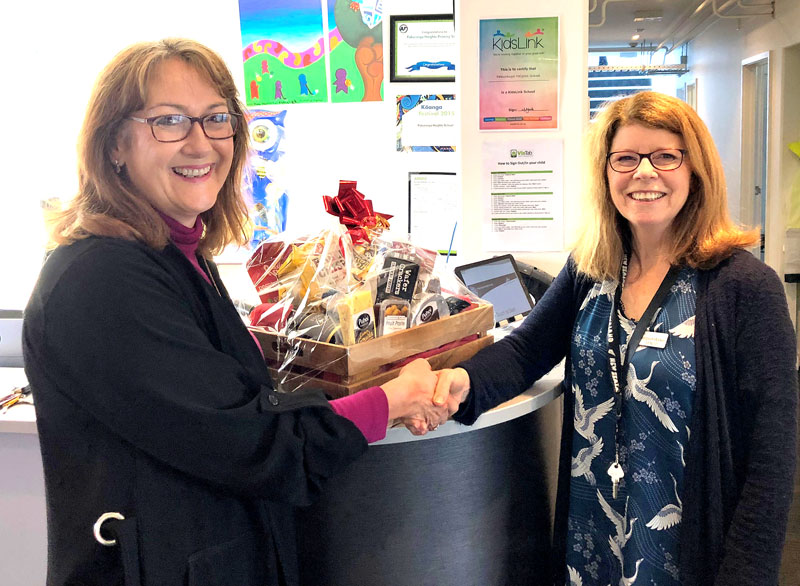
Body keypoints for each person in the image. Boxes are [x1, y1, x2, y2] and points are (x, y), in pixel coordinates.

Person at [23, 39, 447, 586]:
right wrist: (390, 401)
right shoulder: (101, 281)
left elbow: (238, 402)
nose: (200, 142)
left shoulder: (180, 257)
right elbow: (252, 441)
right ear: (113, 146)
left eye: (215, 118)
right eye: (169, 121)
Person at [421, 91, 798, 585]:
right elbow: (525, 350)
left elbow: (772, 456)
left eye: (665, 155)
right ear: (606, 173)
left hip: (685, 554)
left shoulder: (743, 287)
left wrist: (746, 574)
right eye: (625, 158)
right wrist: (460, 382)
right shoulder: (591, 267)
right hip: (590, 539)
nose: (644, 173)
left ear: (695, 170)